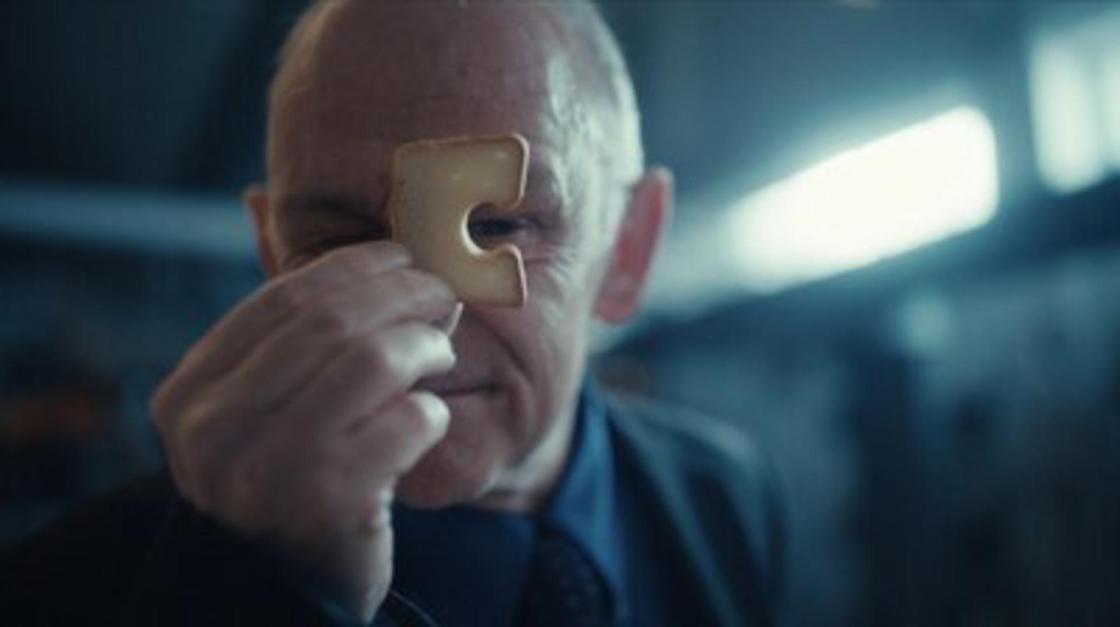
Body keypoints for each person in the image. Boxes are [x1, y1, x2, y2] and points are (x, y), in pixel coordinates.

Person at [2, 1, 784, 625]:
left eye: (495, 225)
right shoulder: (66, 592)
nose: (419, 323)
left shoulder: (728, 500)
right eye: (336, 241)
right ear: (273, 254)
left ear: (628, 249)